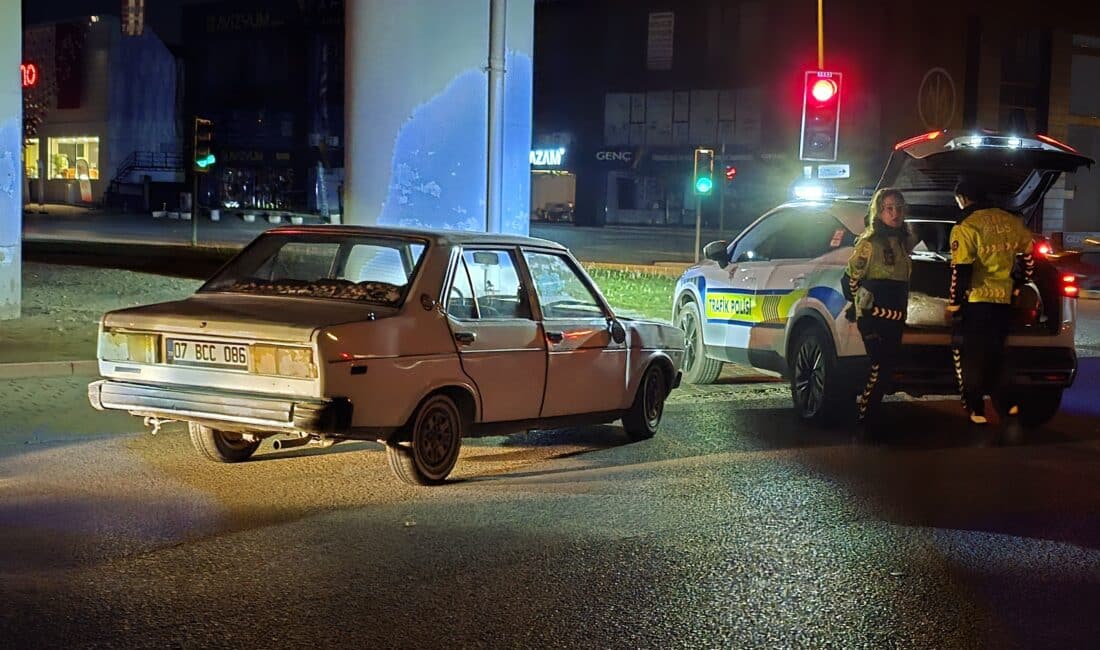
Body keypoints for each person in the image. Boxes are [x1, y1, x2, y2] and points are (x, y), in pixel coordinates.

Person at [946, 176, 1035, 424]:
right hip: (1003, 302)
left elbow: (960, 270)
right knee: (999, 352)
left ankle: (976, 410)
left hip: (977, 302)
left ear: (963, 198)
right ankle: (1010, 405)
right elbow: (1028, 258)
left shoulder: (966, 226)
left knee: (974, 356)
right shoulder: (1011, 221)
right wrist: (1019, 285)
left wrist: (953, 304)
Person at [843, 188, 913, 427]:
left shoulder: (903, 242)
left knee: (888, 366)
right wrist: (862, 310)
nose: (895, 213)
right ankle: (866, 415)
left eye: (899, 208)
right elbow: (850, 279)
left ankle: (870, 413)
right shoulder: (869, 243)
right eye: (889, 208)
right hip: (874, 314)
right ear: (879, 211)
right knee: (879, 365)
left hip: (897, 313)